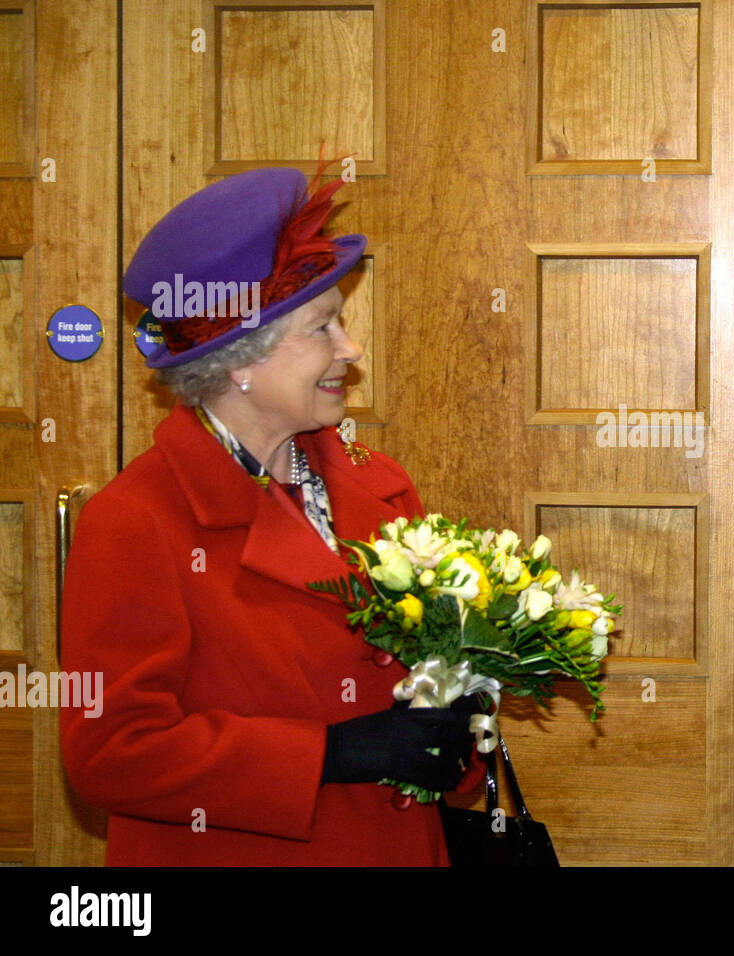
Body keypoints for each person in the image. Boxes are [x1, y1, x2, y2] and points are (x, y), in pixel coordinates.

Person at [60, 165, 482, 865]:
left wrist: (459, 718)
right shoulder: (136, 520)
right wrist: (329, 754)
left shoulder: (381, 486)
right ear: (238, 364)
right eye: (324, 328)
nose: (351, 351)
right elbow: (110, 752)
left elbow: (428, 676)